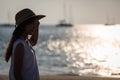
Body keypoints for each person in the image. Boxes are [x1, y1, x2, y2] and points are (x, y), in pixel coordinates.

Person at [4, 8, 45, 80]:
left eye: (34, 24)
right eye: (32, 24)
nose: (34, 27)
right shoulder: (20, 45)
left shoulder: (25, 42)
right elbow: (16, 73)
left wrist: (37, 25)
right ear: (23, 25)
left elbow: (34, 41)